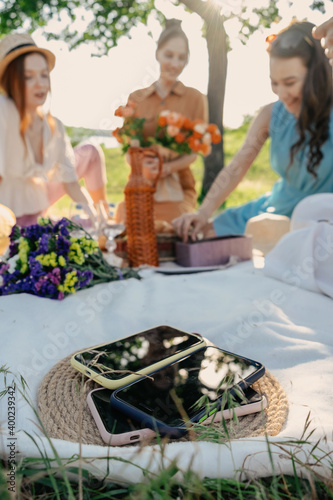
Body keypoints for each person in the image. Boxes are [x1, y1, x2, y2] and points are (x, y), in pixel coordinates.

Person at [172, 21, 333, 242]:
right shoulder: (271, 115)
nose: (281, 93)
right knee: (203, 234)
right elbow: (237, 167)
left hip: (323, 220)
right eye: (275, 83)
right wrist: (203, 211)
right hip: (274, 211)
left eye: (290, 82)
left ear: (317, 76)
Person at [0, 33, 109, 227]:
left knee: (88, 227)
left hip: (36, 213)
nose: (40, 83)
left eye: (44, 74)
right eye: (28, 76)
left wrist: (97, 218)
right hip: (5, 218)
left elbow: (70, 182)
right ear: (12, 81)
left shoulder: (54, 126)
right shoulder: (3, 112)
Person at [114, 19, 208, 225]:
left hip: (177, 189)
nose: (175, 64)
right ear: (157, 53)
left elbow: (193, 154)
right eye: (169, 55)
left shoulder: (195, 98)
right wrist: (143, 166)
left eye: (181, 58)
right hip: (141, 185)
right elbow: (129, 151)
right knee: (126, 228)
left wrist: (166, 169)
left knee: (171, 229)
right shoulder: (137, 98)